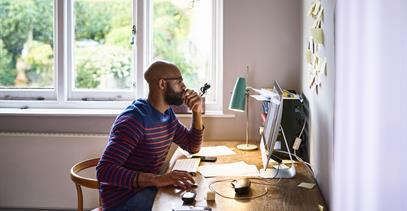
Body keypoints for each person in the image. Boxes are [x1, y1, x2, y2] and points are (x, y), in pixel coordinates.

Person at [96, 61, 204, 211]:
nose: (184, 87)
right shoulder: (134, 120)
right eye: (179, 81)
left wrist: (197, 111)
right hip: (123, 199)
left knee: (194, 199)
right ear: (162, 84)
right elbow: (104, 171)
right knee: (184, 206)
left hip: (147, 189)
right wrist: (157, 179)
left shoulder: (167, 114)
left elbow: (192, 147)